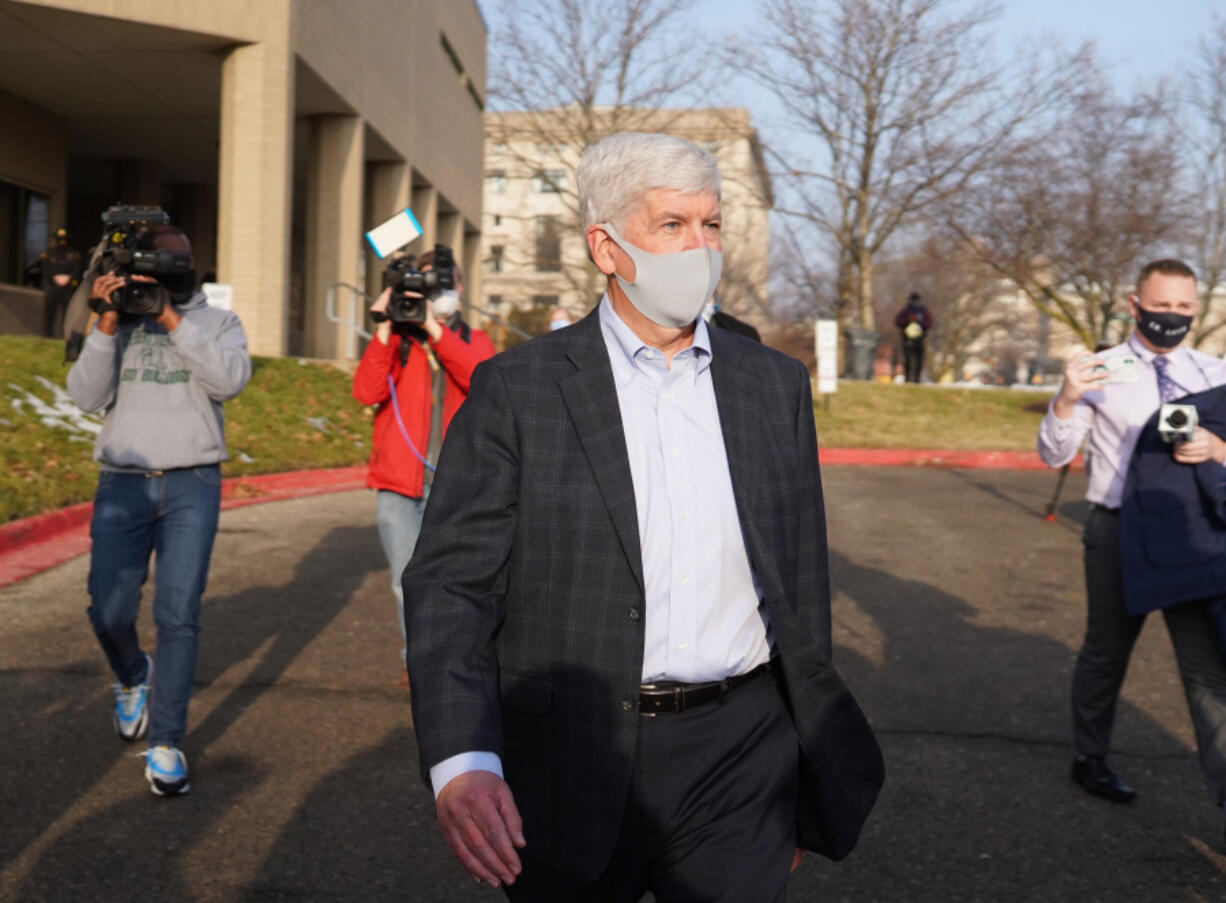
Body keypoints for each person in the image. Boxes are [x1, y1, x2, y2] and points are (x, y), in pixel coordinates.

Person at [403, 132, 882, 900]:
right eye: (673, 226)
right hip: (569, 755)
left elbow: (799, 582)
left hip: (741, 754)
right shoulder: (518, 390)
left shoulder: (773, 387)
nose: (702, 247)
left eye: (712, 224)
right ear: (607, 246)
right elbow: (452, 588)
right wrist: (463, 760)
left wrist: (801, 764)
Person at [66, 223, 250, 797]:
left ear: (192, 265)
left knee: (179, 615)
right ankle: (131, 675)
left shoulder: (217, 321)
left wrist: (172, 318)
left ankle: (167, 740)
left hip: (192, 482)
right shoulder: (117, 319)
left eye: (179, 259)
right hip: (122, 480)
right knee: (108, 609)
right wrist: (105, 319)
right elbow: (84, 397)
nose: (168, 269)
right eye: (158, 261)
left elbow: (230, 380)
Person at [1038, 258, 1226, 812]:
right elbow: (1054, 454)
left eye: (1184, 307)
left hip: (1191, 533)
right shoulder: (1099, 369)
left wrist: (1217, 450)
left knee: (1207, 667)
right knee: (1107, 652)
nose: (1172, 316)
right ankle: (1089, 757)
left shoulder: (1215, 373)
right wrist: (1067, 398)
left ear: (1196, 308)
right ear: (1134, 304)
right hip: (1117, 529)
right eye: (1161, 305)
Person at [351, 248, 495, 677]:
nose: (428, 294)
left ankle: (457, 662)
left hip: (455, 486)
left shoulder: (473, 339)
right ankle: (422, 665)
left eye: (438, 285)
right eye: (422, 285)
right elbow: (366, 391)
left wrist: (435, 329)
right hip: (399, 483)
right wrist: (383, 330)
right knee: (405, 584)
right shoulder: (396, 341)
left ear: (459, 288)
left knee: (458, 583)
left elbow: (480, 379)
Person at [38, 227, 84, 338]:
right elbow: (44, 269)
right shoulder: (49, 254)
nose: (62, 241)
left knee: (67, 315)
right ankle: (47, 336)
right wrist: (54, 277)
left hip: (67, 289)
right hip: (52, 287)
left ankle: (66, 337)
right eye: (60, 239)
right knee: (49, 314)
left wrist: (69, 278)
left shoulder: (74, 255)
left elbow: (78, 270)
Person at [894, 291, 932, 383]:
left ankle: (916, 379)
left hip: (919, 338)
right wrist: (908, 321)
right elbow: (898, 321)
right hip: (907, 337)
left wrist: (921, 324)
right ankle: (908, 379)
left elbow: (929, 322)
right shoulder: (906, 311)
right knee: (908, 359)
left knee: (918, 359)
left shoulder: (923, 311)